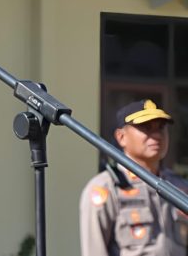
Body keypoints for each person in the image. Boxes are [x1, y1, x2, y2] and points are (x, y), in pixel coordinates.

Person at [80, 99, 188, 255]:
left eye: (161, 127)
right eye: (146, 127)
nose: (156, 135)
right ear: (121, 137)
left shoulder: (180, 187)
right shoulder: (106, 188)